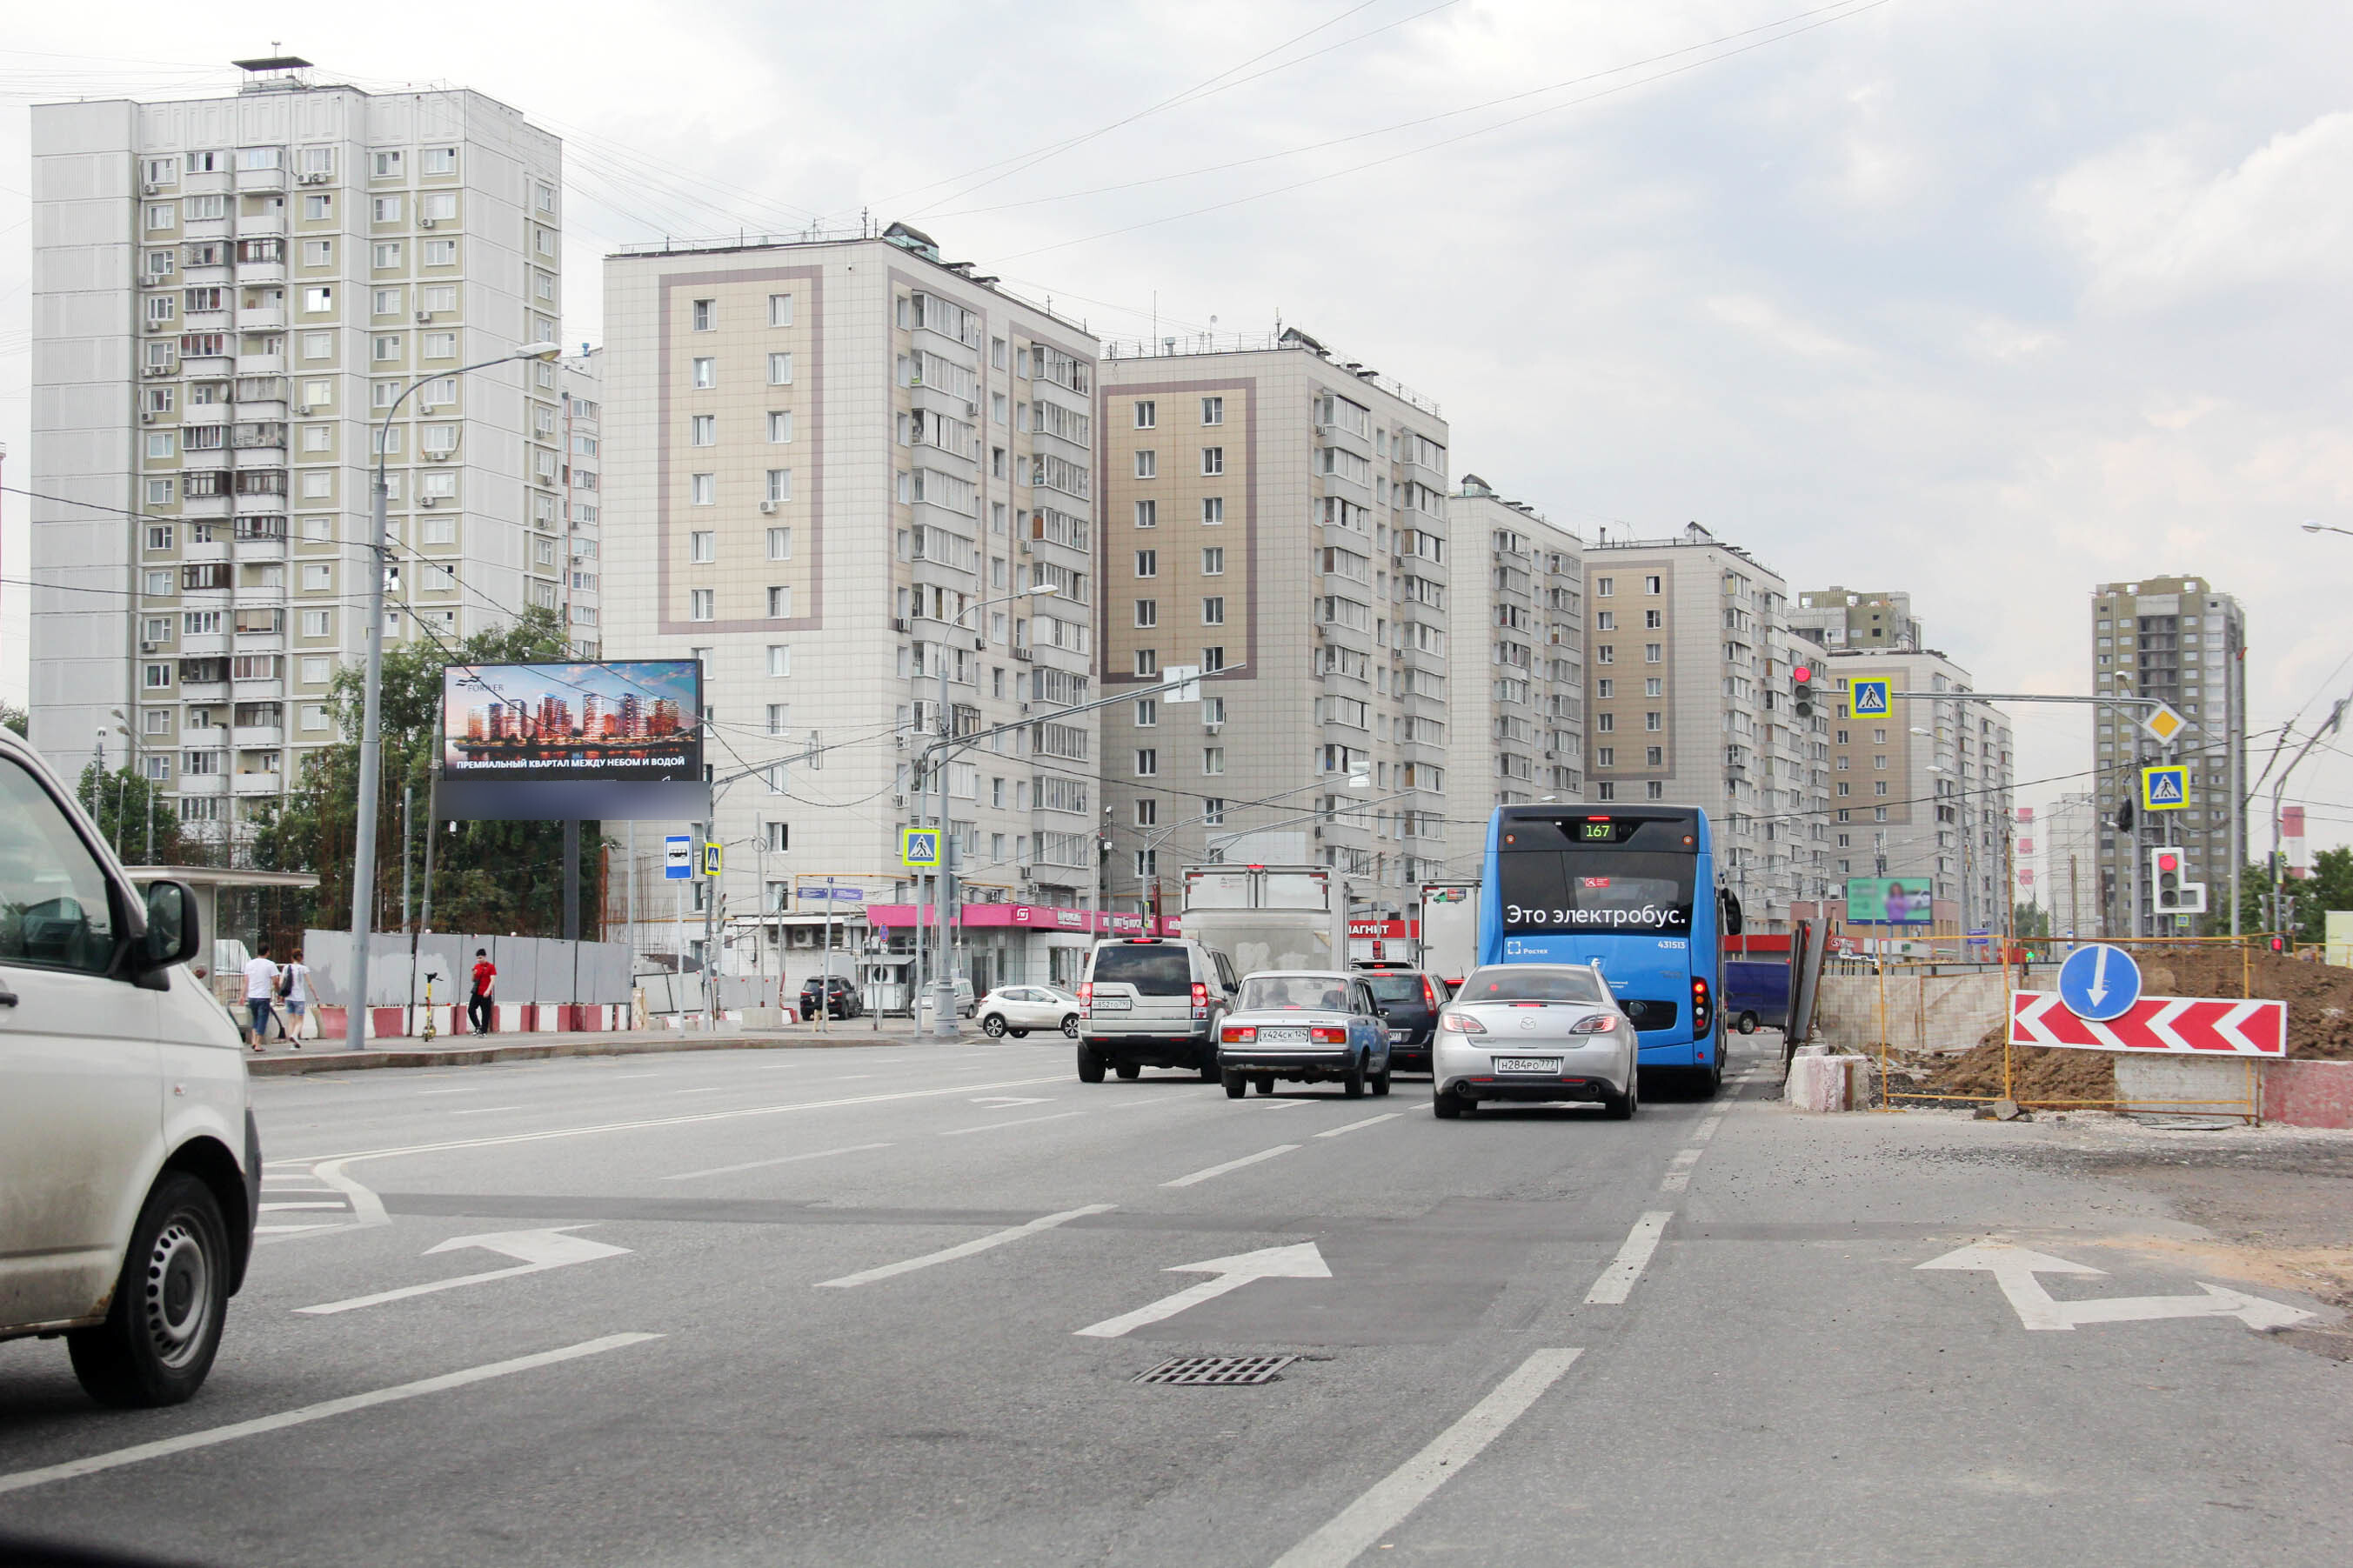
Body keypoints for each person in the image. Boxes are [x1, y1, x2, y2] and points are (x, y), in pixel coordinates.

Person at [243, 944, 283, 1051]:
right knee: (262, 1020)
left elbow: (246, 981)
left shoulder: (249, 964)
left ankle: (254, 1041)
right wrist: (279, 992)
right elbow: (275, 981)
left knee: (255, 1020)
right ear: (268, 952)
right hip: (263, 996)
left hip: (252, 996)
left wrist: (242, 996)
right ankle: (258, 1044)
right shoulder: (270, 964)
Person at [279, 947, 312, 1049]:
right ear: (301, 958)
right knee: (300, 1021)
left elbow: (281, 983)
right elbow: (309, 984)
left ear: (292, 958)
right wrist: (315, 995)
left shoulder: (286, 967)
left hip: (289, 997)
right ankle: (295, 1035)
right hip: (299, 998)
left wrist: (281, 995)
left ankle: (292, 1045)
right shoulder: (304, 968)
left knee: (291, 1020)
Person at [468, 948, 497, 1037]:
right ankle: (477, 1026)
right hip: (476, 992)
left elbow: (493, 980)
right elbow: (473, 980)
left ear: (485, 957)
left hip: (485, 994)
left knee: (485, 1013)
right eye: (477, 958)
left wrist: (488, 991)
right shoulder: (477, 966)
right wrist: (473, 973)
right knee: (471, 1010)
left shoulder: (491, 967)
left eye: (480, 958)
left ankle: (484, 1031)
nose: (479, 960)